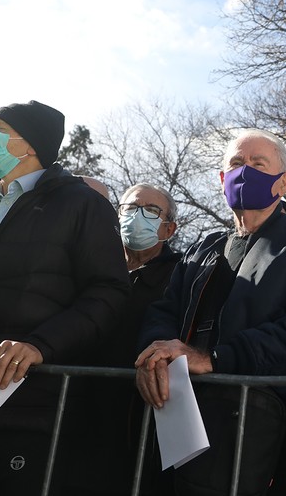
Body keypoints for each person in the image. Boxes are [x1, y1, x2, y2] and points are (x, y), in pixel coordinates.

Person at [136, 128, 286, 496]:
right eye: (236, 164)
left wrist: (216, 359)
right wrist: (153, 355)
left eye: (257, 163)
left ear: (282, 183)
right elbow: (164, 310)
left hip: (257, 427)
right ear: (222, 179)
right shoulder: (202, 249)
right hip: (176, 416)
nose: (245, 171)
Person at [0, 100, 131, 494]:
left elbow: (109, 290)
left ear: (30, 144)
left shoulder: (82, 204)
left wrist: (41, 345)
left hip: (32, 396)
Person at [61, 183, 182, 496]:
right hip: (73, 413)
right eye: (129, 208)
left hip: (133, 423)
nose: (138, 216)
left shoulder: (180, 277)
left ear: (169, 229)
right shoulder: (92, 264)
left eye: (151, 211)